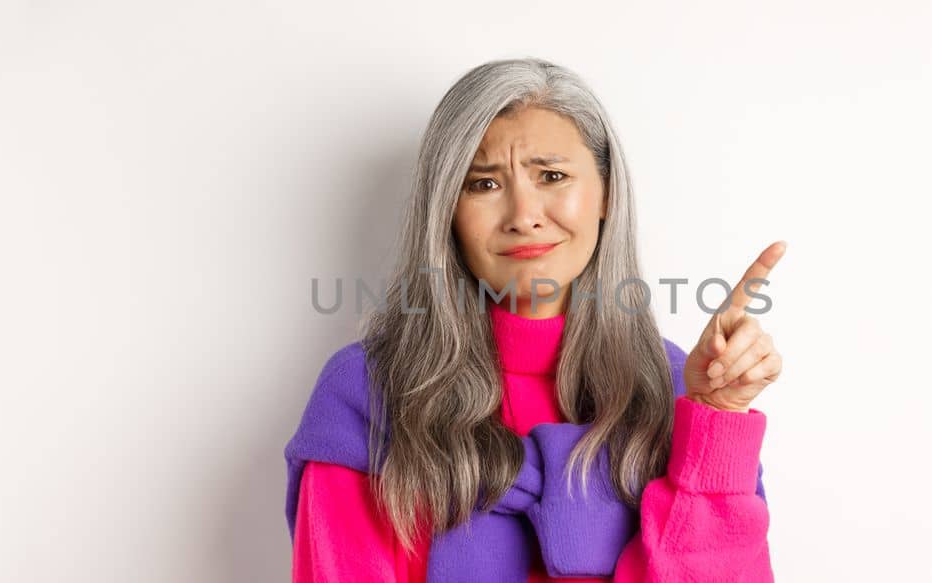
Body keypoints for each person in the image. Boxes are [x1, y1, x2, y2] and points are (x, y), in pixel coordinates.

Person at [284, 57, 786, 582]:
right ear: (446, 212)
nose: (523, 214)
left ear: (606, 195)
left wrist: (717, 418)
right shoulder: (368, 392)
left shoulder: (680, 388)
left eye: (552, 176)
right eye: (483, 184)